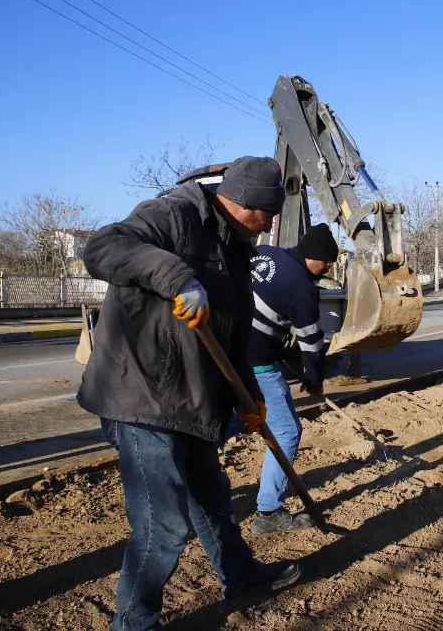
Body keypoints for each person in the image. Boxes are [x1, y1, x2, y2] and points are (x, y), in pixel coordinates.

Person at [77, 156, 300, 630]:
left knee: (214, 500)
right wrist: (177, 277)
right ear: (247, 206)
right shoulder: (175, 215)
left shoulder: (238, 247)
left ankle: (240, 577)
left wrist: (248, 396)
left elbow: (231, 334)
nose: (270, 225)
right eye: (268, 215)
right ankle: (133, 624)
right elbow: (102, 248)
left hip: (191, 400)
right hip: (138, 396)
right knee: (163, 527)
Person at [228, 224, 339, 534]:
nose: (328, 267)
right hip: (255, 363)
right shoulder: (304, 287)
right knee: (286, 429)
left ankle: (188, 495)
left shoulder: (265, 253)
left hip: (225, 353)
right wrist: (315, 380)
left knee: (223, 423)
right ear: (314, 257)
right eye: (327, 261)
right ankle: (269, 512)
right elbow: (312, 343)